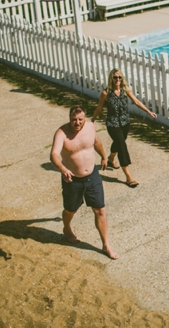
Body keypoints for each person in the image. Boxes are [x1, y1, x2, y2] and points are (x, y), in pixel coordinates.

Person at [50, 105, 119, 260]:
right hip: (72, 180)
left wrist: (103, 156)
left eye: (80, 119)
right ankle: (67, 228)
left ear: (85, 118)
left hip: (92, 177)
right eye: (74, 120)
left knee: (100, 210)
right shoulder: (61, 133)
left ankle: (106, 245)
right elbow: (54, 154)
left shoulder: (90, 127)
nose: (77, 123)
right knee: (70, 210)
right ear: (69, 118)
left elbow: (96, 141)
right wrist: (62, 168)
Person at [91, 68, 157, 188]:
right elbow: (99, 108)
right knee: (122, 146)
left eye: (119, 77)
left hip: (125, 123)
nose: (117, 79)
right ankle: (128, 177)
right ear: (111, 78)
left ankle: (111, 158)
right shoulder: (106, 93)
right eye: (115, 77)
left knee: (119, 141)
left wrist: (148, 111)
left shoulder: (125, 90)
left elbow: (136, 101)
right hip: (113, 124)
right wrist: (92, 121)